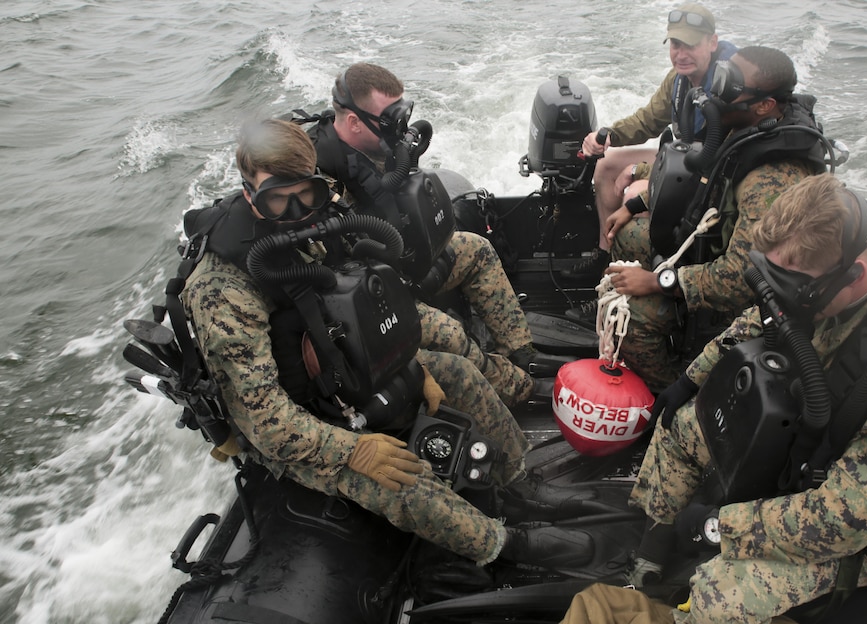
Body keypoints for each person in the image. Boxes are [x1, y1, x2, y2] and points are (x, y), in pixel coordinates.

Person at [180, 118, 585, 569]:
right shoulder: (223, 290)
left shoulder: (315, 233)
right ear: (249, 191)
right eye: (278, 198)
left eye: (306, 195)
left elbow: (358, 314)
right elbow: (265, 422)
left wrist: (418, 369)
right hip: (297, 422)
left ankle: (518, 478)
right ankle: (502, 545)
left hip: (344, 373)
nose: (296, 212)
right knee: (399, 478)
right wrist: (354, 450)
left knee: (459, 373)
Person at [625, 174, 867, 624]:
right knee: (682, 428)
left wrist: (719, 529)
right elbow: (757, 320)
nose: (779, 294)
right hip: (812, 446)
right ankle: (653, 551)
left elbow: (843, 521)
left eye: (790, 285)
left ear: (853, 275)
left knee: (719, 601)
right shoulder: (814, 285)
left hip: (863, 522)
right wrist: (687, 382)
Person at [306, 62, 568, 408]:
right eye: (389, 120)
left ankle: (521, 354)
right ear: (354, 122)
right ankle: (518, 388)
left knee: (477, 249)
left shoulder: (374, 149)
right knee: (449, 333)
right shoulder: (315, 186)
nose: (398, 128)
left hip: (399, 260)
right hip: (367, 298)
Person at [597, 45, 829, 391]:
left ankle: (672, 391)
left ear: (765, 105)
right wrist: (633, 204)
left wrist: (658, 282)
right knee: (628, 234)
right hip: (713, 245)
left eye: (729, 85)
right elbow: (700, 175)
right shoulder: (745, 130)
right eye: (721, 75)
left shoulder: (771, 180)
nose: (715, 91)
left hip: (753, 303)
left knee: (634, 317)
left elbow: (740, 280)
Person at [561, 2, 738, 284]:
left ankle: (643, 276)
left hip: (709, 175)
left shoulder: (730, 88)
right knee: (605, 166)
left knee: (632, 192)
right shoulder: (679, 79)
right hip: (681, 157)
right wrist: (608, 134)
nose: (681, 55)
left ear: (712, 43)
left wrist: (640, 173)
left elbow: (719, 162)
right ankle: (606, 257)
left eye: (690, 46)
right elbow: (648, 120)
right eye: (675, 45)